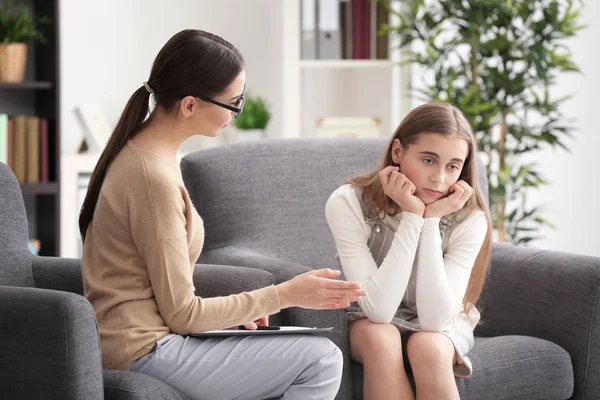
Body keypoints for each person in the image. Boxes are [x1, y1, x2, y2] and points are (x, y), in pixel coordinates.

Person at [79, 29, 366, 400]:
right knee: (321, 359)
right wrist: (285, 293)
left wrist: (230, 316)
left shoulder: (151, 157)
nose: (236, 113)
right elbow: (183, 314)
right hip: (142, 350)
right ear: (189, 105)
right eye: (234, 103)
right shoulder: (152, 180)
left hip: (144, 340)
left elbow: (163, 284)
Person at [325, 103, 492, 400]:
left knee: (430, 346)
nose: (439, 179)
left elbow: (435, 322)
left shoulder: (470, 218)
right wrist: (413, 216)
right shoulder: (347, 202)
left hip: (442, 316)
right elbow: (378, 310)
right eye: (429, 160)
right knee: (382, 337)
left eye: (453, 166)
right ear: (398, 152)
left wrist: (430, 221)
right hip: (368, 317)